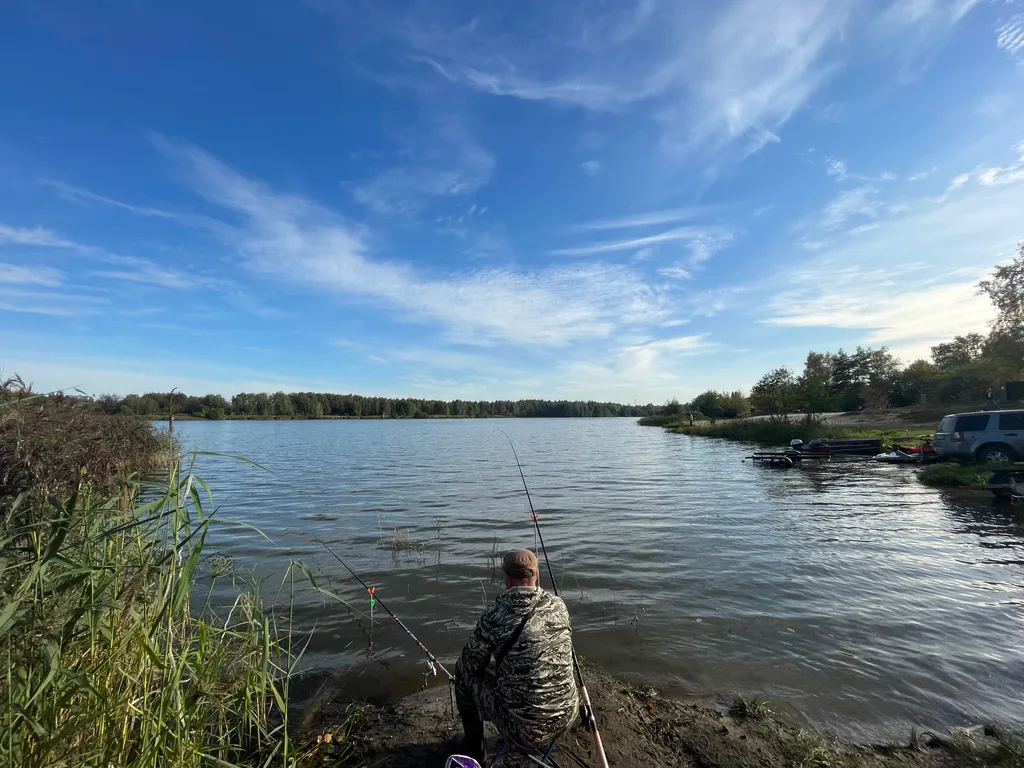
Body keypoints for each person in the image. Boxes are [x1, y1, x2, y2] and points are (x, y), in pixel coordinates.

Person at [453, 549, 578, 762]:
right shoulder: (559, 605)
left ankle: (475, 749)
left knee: (462, 670)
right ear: (536, 575)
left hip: (523, 731)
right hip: (566, 716)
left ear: (507, 579)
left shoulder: (495, 613)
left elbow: (472, 663)